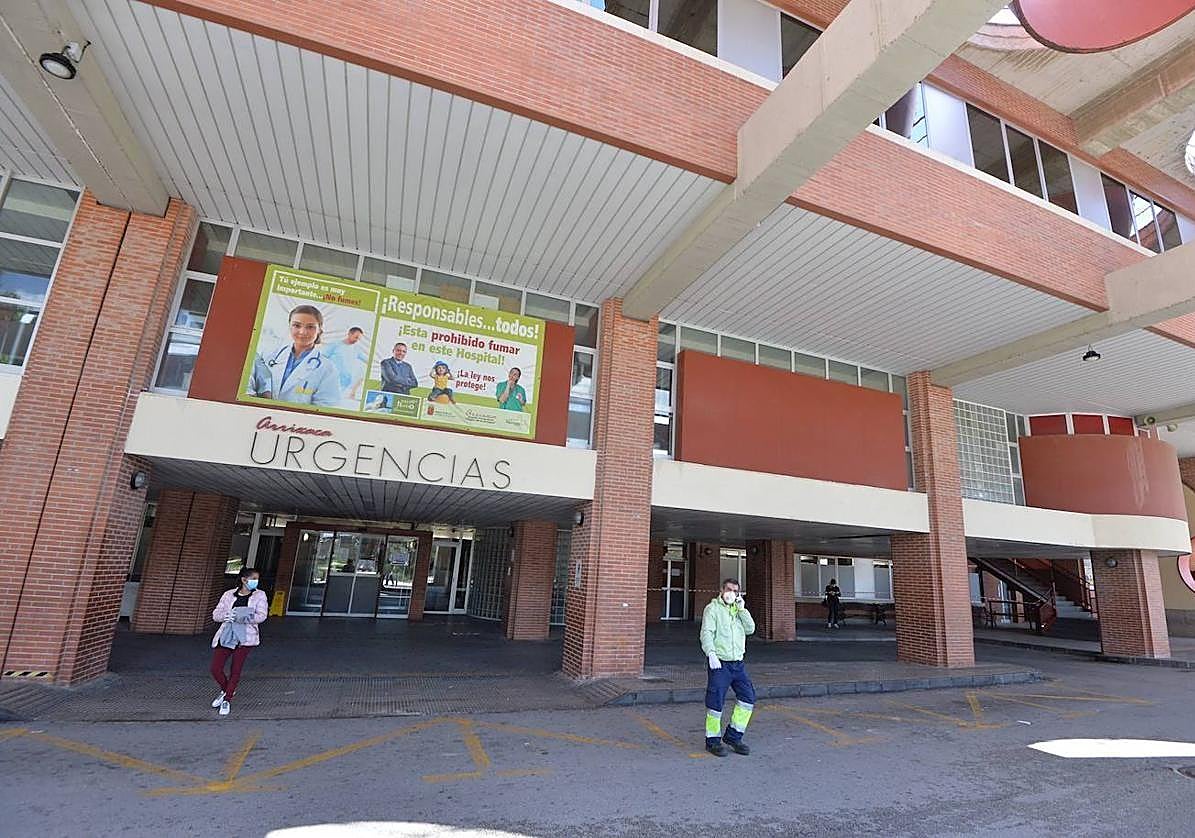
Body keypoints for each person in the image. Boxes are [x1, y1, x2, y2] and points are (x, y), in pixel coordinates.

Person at [700, 578, 756, 757]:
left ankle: (733, 736)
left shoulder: (738, 610)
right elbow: (706, 633)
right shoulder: (713, 609)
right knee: (715, 703)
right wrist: (711, 654)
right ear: (722, 590)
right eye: (729, 590)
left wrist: (742, 609)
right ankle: (713, 741)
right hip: (720, 664)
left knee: (748, 697)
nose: (732, 593)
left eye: (736, 591)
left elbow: (750, 629)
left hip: (737, 664)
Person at [251, 304, 340, 406]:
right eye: (297, 325)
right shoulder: (268, 354)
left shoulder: (327, 369)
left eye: (310, 327)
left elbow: (325, 406)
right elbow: (250, 385)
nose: (302, 332)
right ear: (289, 326)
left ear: (319, 330)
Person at [209, 568, 269, 717]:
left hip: (246, 637)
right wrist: (226, 616)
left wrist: (246, 617)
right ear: (244, 580)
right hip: (227, 634)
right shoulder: (229, 595)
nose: (256, 581)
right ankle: (226, 690)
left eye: (257, 579)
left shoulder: (260, 595)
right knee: (215, 668)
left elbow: (262, 615)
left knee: (236, 669)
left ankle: (227, 699)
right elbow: (216, 614)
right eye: (253, 578)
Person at [323, 326, 370, 400]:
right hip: (331, 380)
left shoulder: (356, 349)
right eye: (356, 337)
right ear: (349, 334)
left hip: (345, 383)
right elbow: (323, 358)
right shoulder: (335, 345)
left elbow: (369, 360)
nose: (357, 340)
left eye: (359, 339)